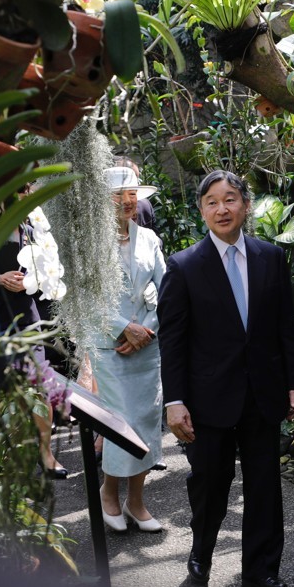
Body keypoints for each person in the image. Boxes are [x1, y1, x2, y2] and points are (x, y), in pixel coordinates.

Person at [157, 170, 294, 587]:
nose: (222, 209)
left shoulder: (270, 257)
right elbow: (173, 340)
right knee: (209, 482)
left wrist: (293, 380)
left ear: (246, 204)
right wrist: (175, 400)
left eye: (231, 199)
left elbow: (286, 326)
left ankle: (260, 570)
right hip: (207, 399)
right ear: (202, 210)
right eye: (212, 202)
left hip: (263, 392)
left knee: (264, 486)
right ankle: (201, 548)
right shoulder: (183, 267)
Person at [91, 165, 166, 533]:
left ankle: (137, 501)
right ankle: (109, 491)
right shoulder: (90, 243)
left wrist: (146, 330)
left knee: (147, 423)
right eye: (118, 194)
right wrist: (124, 328)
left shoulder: (149, 239)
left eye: (132, 193)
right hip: (109, 347)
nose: (127, 200)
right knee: (121, 424)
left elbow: (166, 291)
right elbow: (86, 299)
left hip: (147, 347)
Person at [0, 188, 67, 479]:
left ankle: (46, 453)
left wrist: (31, 280)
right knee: (3, 391)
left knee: (39, 387)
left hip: (27, 317)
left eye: (28, 191)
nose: (26, 195)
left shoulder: (33, 232)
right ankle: (8, 455)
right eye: (20, 190)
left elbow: (49, 273)